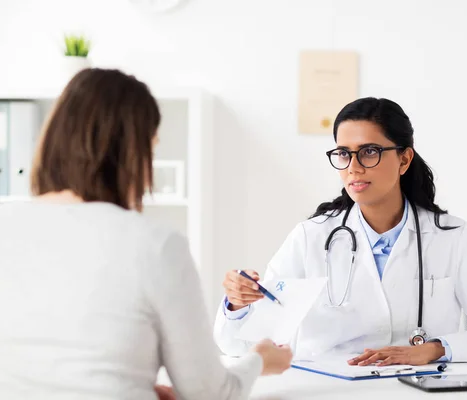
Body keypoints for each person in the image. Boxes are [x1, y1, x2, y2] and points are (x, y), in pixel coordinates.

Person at [0, 68, 292, 399]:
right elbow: (208, 393)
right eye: (150, 148)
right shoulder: (155, 243)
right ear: (132, 151)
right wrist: (259, 361)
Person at [215, 97, 467, 365]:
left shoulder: (452, 237)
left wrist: (434, 350)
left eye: (369, 151)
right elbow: (238, 346)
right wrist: (238, 304)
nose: (353, 166)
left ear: (404, 158)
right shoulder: (311, 238)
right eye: (343, 153)